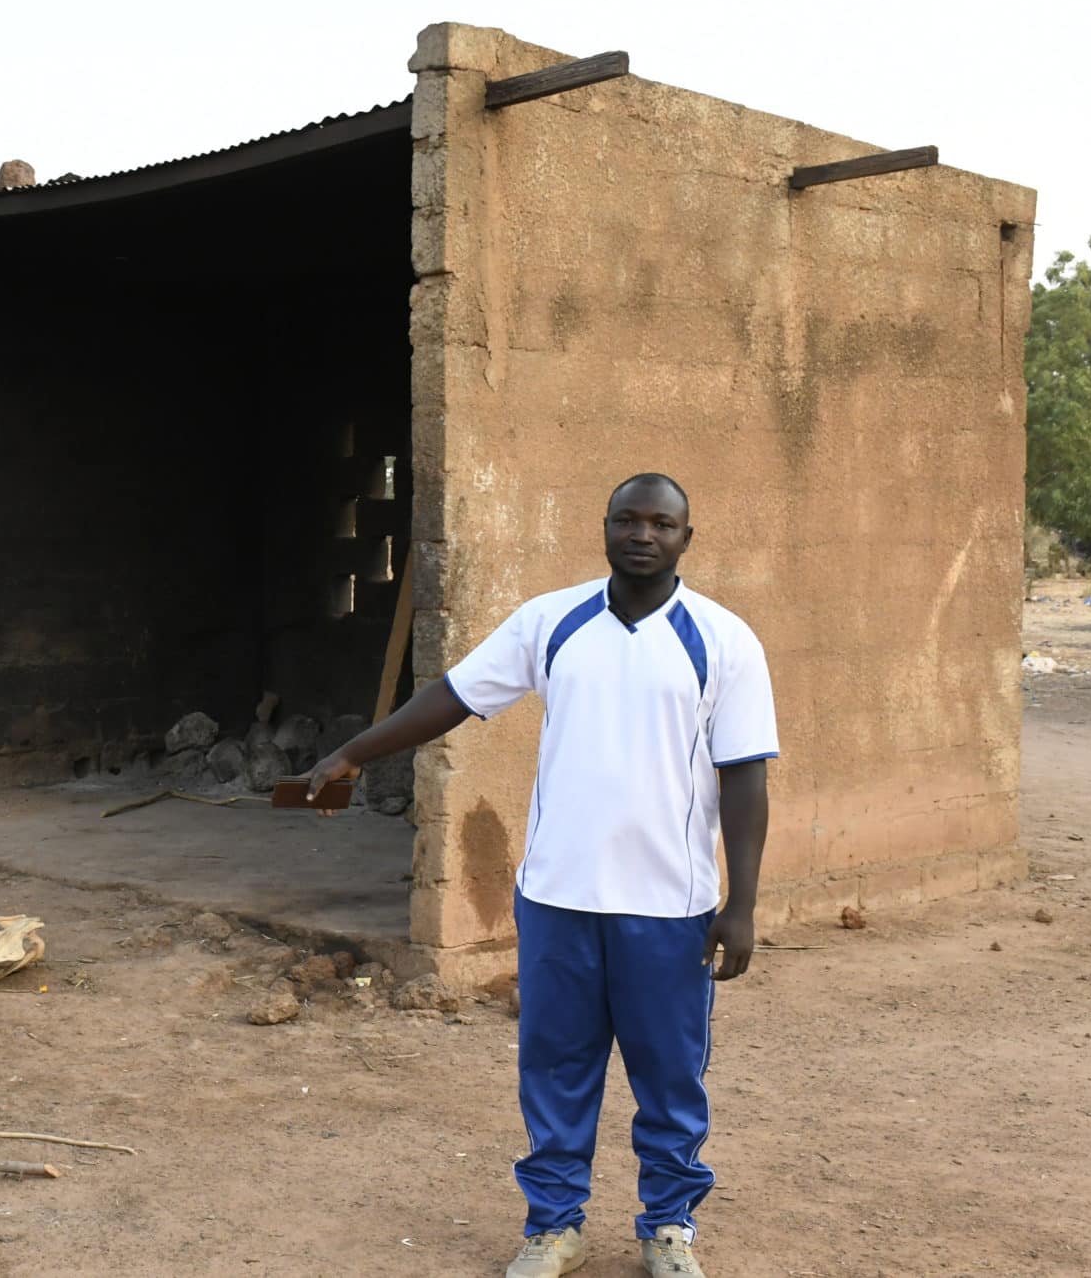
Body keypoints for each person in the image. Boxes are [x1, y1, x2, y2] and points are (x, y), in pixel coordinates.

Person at [305, 473, 776, 1278]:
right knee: (555, 1068)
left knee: (670, 1077)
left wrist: (743, 904)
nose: (643, 534)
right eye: (628, 519)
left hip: (671, 905)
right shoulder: (552, 620)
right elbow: (454, 696)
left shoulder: (724, 640)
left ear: (685, 538)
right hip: (559, 896)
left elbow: (745, 776)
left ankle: (668, 1227)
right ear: (605, 527)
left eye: (662, 523)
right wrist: (357, 750)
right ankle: (554, 1225)